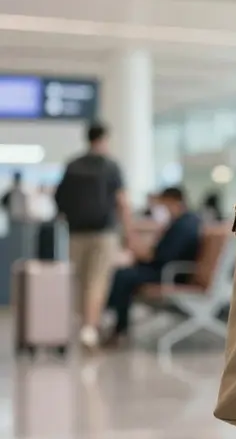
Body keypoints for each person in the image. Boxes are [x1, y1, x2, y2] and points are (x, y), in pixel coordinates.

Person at [55, 122, 131, 348]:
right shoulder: (110, 166)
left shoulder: (72, 165)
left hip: (76, 232)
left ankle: (81, 324)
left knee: (78, 279)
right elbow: (122, 202)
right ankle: (90, 328)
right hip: (103, 232)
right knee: (97, 281)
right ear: (105, 139)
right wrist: (128, 234)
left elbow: (59, 200)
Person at [105, 186, 201, 343]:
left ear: (173, 201)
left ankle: (119, 326)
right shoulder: (182, 221)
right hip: (166, 269)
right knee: (124, 273)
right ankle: (117, 323)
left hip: (171, 274)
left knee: (123, 276)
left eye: (164, 203)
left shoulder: (184, 224)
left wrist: (144, 255)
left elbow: (165, 255)